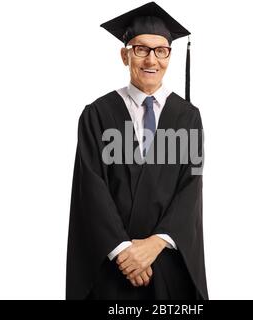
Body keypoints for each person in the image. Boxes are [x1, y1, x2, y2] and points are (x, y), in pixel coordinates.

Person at [66, 1, 208, 300]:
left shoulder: (187, 116)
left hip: (168, 263)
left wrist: (154, 244)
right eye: (141, 49)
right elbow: (90, 188)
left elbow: (190, 187)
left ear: (169, 55)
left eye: (161, 50)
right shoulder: (98, 113)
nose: (151, 60)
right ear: (124, 54)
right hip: (112, 264)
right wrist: (123, 251)